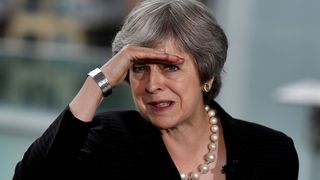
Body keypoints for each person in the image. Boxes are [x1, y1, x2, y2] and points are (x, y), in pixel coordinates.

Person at [13, 0, 299, 180]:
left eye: (170, 67)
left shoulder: (272, 151)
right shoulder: (103, 140)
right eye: (139, 68)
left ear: (207, 74)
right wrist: (95, 83)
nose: (152, 84)